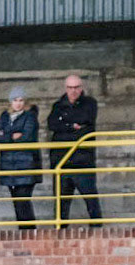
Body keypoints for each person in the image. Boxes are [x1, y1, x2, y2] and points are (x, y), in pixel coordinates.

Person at [48, 74, 101, 224]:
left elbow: (86, 122)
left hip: (83, 161)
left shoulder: (90, 103)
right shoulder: (57, 106)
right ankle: (60, 236)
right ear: (66, 88)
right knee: (61, 207)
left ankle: (98, 231)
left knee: (91, 202)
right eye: (70, 88)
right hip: (62, 162)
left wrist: (64, 126)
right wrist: (72, 126)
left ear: (81, 87)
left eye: (76, 87)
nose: (73, 91)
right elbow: (52, 124)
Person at [0, 87, 41, 227]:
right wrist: (12, 136)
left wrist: (6, 135)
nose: (18, 103)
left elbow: (26, 137)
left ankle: (29, 233)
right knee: (17, 202)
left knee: (22, 201)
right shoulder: (4, 116)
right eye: (15, 100)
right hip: (9, 165)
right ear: (10, 102)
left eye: (21, 100)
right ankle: (25, 232)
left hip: (26, 165)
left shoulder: (30, 116)